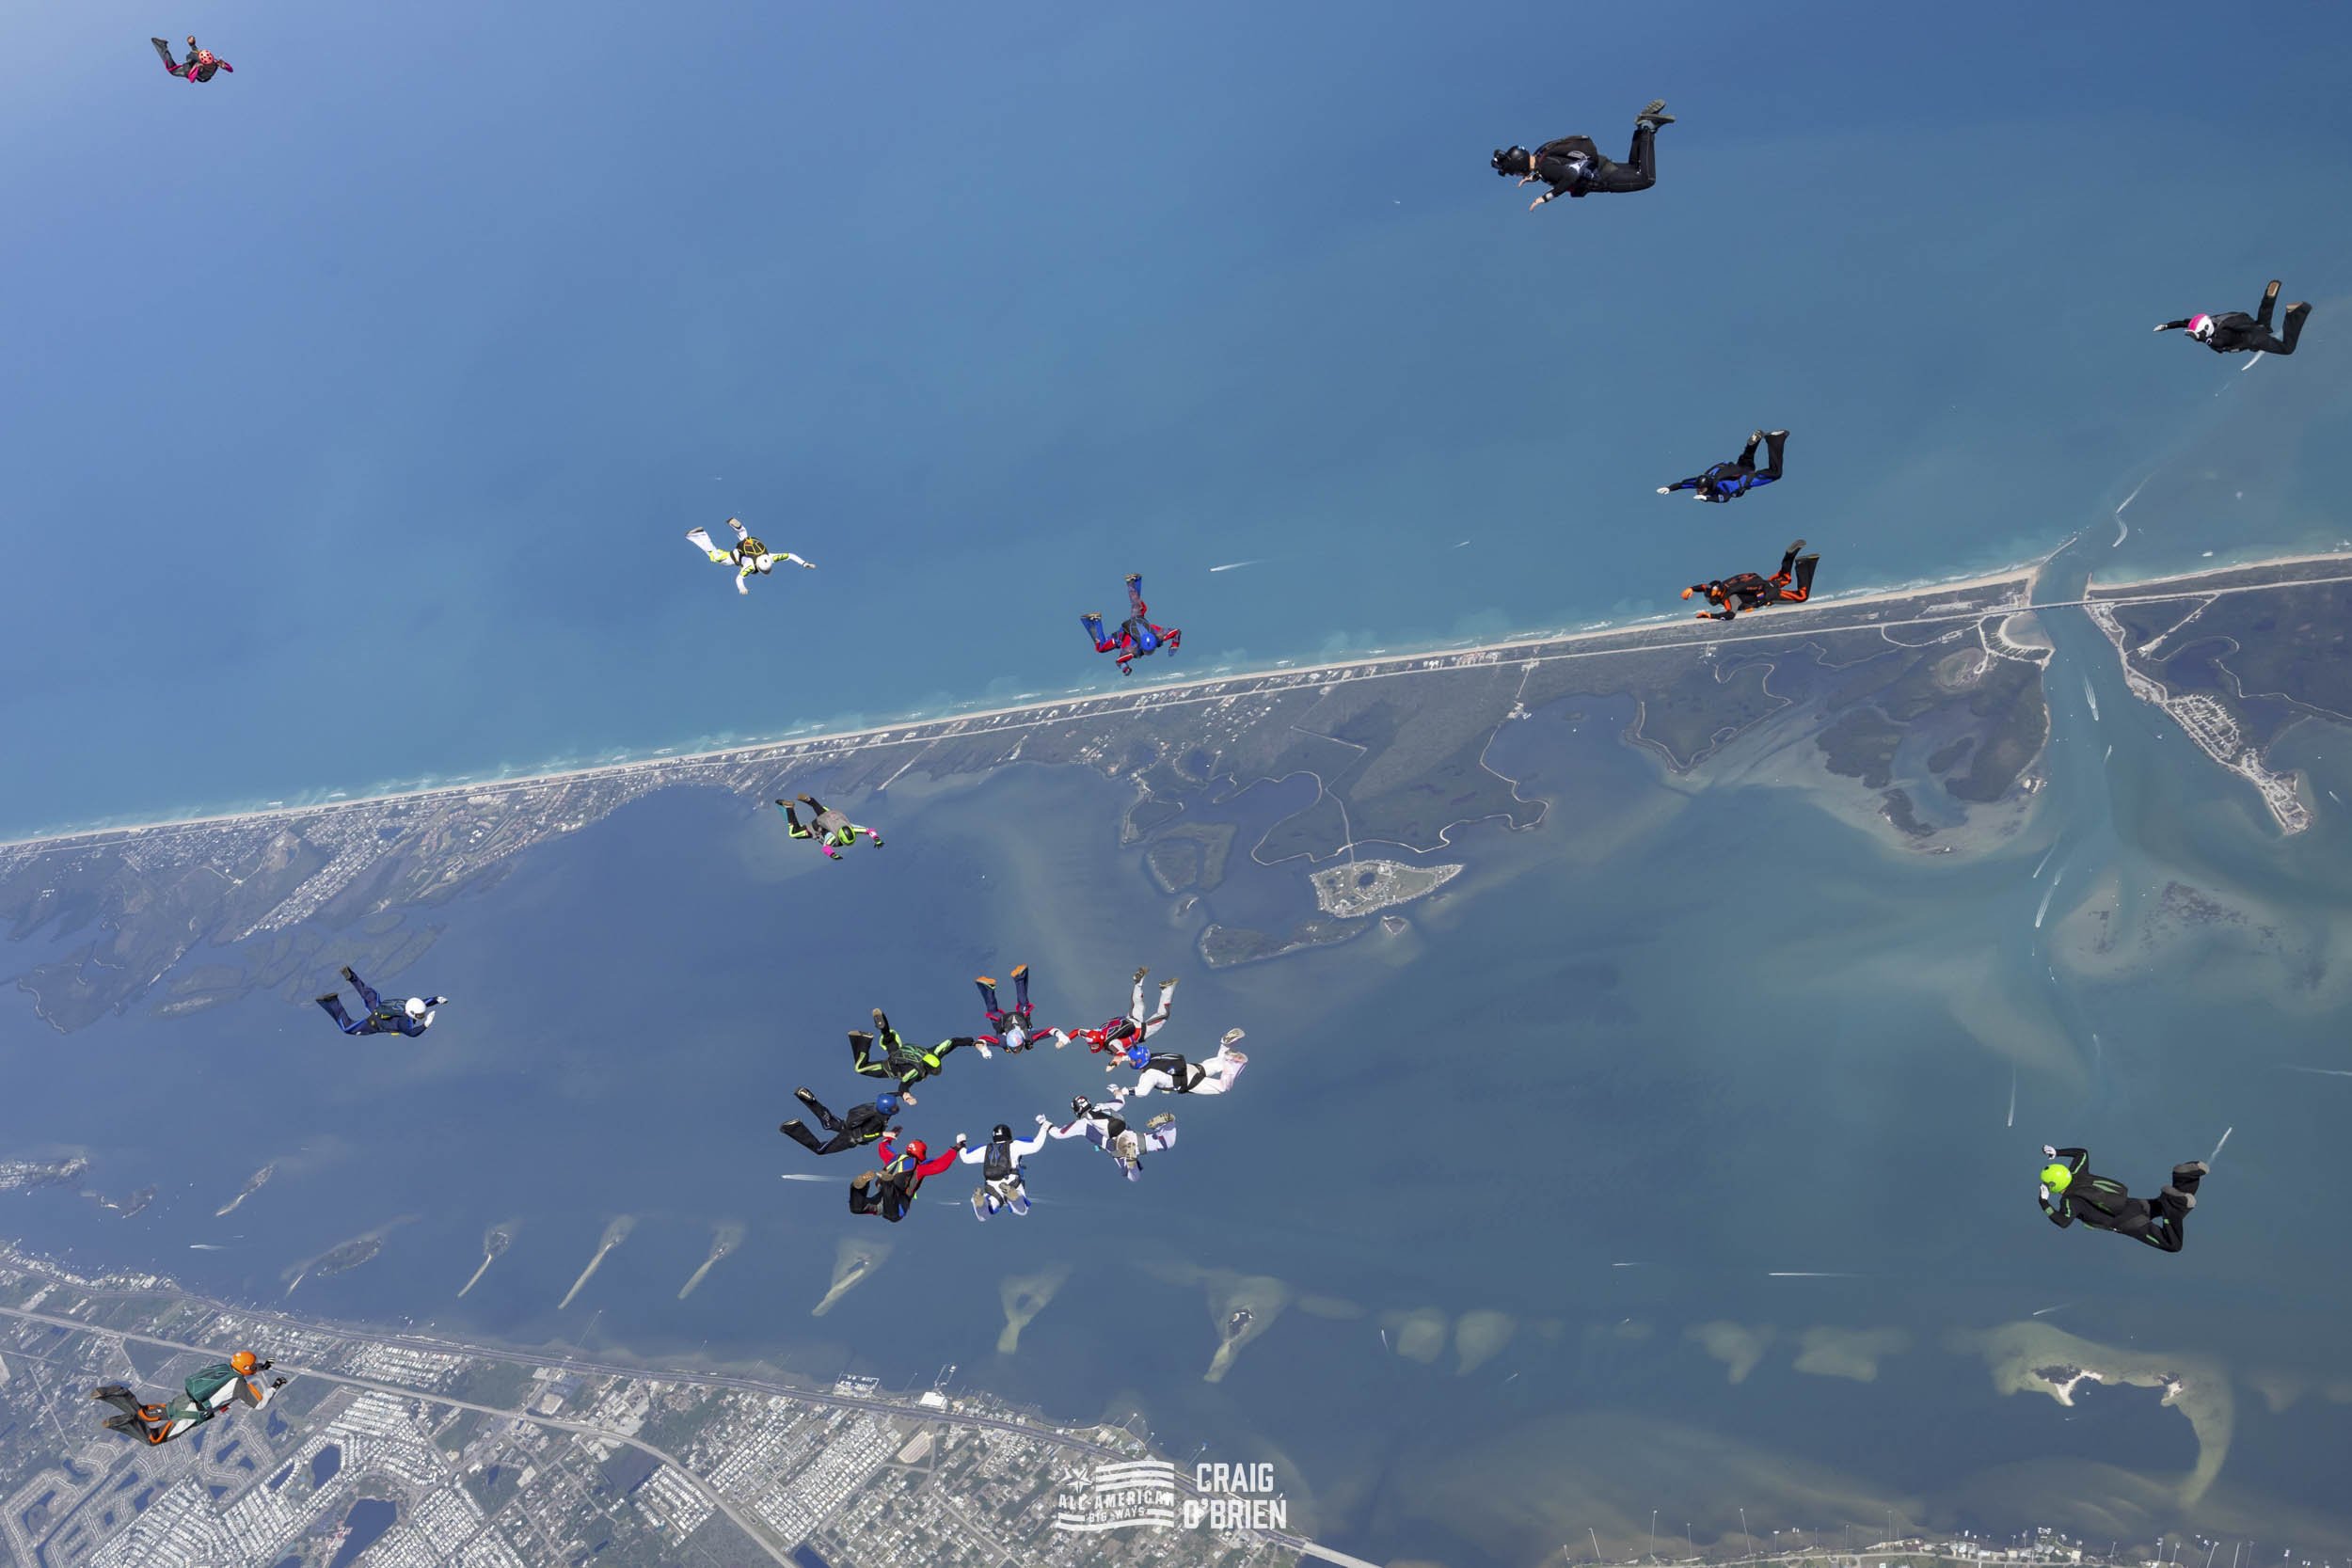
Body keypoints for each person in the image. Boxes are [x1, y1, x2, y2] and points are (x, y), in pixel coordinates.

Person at [1491, 100, 1673, 209]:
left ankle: (1648, 129)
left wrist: (1545, 198)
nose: (1516, 175)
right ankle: (1643, 128)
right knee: (1636, 167)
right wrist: (1533, 177)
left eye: (1514, 171)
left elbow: (1570, 175)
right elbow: (1556, 165)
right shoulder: (1541, 154)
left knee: (1646, 179)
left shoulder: (1545, 168)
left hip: (1604, 177)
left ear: (1518, 164)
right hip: (1602, 166)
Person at [2038, 1146, 2207, 1253]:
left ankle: (2173, 1206)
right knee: (2164, 1204)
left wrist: (2044, 1202)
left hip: (2129, 1223)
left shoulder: (2069, 1201)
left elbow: (2063, 1221)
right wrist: (2057, 1152)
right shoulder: (2078, 1174)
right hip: (2133, 1204)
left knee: (2173, 1244)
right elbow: (2081, 1153)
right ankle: (2183, 1177)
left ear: (2052, 1186)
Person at [93, 1352, 282, 1445]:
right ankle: (123, 1422)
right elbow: (259, 1405)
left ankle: (118, 1393)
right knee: (154, 1439)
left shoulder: (225, 1368)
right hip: (192, 1413)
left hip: (183, 1400)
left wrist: (264, 1366)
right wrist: (274, 1387)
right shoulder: (238, 1385)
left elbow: (246, 1368)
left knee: (146, 1413)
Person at [2154, 279, 2311, 357]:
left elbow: (2217, 342)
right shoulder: (2215, 322)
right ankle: (2269, 297)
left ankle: (2296, 312)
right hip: (2246, 323)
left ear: (2205, 330)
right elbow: (2183, 322)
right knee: (2263, 325)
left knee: (2287, 348)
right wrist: (2166, 326)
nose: (2196, 339)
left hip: (2253, 337)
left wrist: (2202, 338)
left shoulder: (2219, 336)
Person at [1047, 1096, 1179, 1180]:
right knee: (1167, 1142)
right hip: (1131, 1136)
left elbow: (1058, 1134)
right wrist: (1117, 1091)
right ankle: (1170, 1121)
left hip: (1118, 1148)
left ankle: (1130, 1161)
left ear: (1077, 1111)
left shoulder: (1081, 1124)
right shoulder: (1102, 1106)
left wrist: (1045, 1124)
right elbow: (1121, 1101)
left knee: (1133, 1176)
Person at [1683, 540, 1820, 621]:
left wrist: (1710, 615)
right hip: (1762, 583)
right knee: (1785, 578)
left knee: (1801, 597)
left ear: (1718, 595)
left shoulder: (1729, 598)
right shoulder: (1722, 585)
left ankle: (1804, 564)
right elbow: (1704, 586)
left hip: (1768, 593)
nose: (1709, 600)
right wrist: (1691, 588)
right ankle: (1789, 555)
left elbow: (1730, 615)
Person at [850, 1007, 983, 1088]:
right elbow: (904, 1085)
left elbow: (952, 1042)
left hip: (899, 1052)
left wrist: (973, 1043)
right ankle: (863, 1040)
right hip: (889, 1067)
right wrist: (906, 1096)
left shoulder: (934, 1052)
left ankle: (884, 1029)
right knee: (860, 1068)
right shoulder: (916, 1071)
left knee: (889, 1038)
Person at [848, 1132, 964, 1223]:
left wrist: (889, 1137)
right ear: (922, 1153)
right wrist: (954, 1150)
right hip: (897, 1205)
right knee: (892, 1215)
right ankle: (887, 1182)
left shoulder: (894, 1159)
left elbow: (883, 1148)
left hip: (880, 1198)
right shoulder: (919, 1168)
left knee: (856, 1208)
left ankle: (858, 1188)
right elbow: (940, 1165)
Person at [1080, 574, 1183, 675]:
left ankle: (1133, 581)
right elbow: (1119, 661)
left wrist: (1174, 645)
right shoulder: (1132, 649)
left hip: (1138, 619)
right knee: (1101, 648)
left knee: (1136, 605)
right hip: (1122, 634)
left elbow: (1176, 632)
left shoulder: (1160, 635)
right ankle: (1095, 621)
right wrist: (1126, 669)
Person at [686, 516, 814, 595]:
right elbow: (739, 579)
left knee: (745, 539)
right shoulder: (751, 566)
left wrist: (804, 563)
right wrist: (742, 589)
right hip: (737, 555)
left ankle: (739, 528)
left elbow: (790, 555)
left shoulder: (771, 557)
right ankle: (700, 535)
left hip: (749, 544)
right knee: (715, 558)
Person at [1111, 1029, 1249, 1099]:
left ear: (1139, 1062)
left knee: (1222, 1087)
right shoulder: (1151, 1057)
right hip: (1190, 1068)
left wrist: (1121, 1091)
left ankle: (1232, 1064)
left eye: (1133, 1061)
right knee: (1219, 1062)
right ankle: (1225, 1045)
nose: (1132, 1062)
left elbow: (1142, 1092)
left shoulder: (1149, 1075)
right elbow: (1135, 1055)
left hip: (1189, 1081)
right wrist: (1121, 1059)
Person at [1660, 430, 1789, 503]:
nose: (1699, 491)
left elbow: (1724, 498)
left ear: (1708, 487)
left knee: (1776, 473)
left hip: (1746, 478)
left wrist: (1707, 498)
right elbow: (1683, 484)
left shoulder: (1722, 487)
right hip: (1737, 468)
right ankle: (1752, 444)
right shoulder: (1703, 481)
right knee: (1747, 460)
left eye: (1701, 490)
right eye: (1699, 489)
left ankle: (1775, 440)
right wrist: (1669, 488)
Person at [960, 1118, 1054, 1219]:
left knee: (984, 1214)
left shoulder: (985, 1149)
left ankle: (982, 1202)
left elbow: (966, 1158)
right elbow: (1036, 1145)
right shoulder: (1015, 1145)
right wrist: (1044, 1127)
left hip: (991, 1185)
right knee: (1021, 1210)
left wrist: (961, 1144)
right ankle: (1014, 1196)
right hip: (1012, 1180)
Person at [1068, 967, 1177, 1054]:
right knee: (1137, 1004)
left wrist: (1116, 1061)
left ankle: (1167, 989)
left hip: (1139, 1031)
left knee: (1163, 1015)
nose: (1093, 1047)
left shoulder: (1111, 1044)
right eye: (1092, 1045)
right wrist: (1066, 1039)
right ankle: (1138, 983)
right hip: (1129, 1020)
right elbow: (1077, 1031)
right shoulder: (1092, 1033)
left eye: (1095, 1045)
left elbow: (1120, 1052)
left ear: (1100, 1041)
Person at [315, 966, 446, 1037]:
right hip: (374, 1023)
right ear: (412, 1012)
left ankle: (351, 976)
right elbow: (412, 1033)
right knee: (348, 1028)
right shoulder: (404, 1022)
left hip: (380, 1008)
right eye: (419, 1016)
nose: (421, 1017)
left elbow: (425, 1002)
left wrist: (437, 999)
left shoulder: (409, 1004)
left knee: (367, 994)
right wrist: (426, 1025)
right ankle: (331, 1001)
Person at [780, 1086, 904, 1155]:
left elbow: (886, 1095)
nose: (895, 1108)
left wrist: (901, 1093)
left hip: (847, 1125)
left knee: (828, 1123)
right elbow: (864, 1137)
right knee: (820, 1149)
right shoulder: (878, 1120)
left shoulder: (876, 1105)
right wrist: (883, 1134)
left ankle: (809, 1099)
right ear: (886, 1109)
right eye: (893, 1108)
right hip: (850, 1137)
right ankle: (793, 1127)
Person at [976, 964, 1059, 1052]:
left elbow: (1050, 1031)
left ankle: (1019, 978)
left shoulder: (1021, 1039)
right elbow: (982, 1041)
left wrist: (1060, 1036)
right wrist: (984, 1050)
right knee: (994, 1011)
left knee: (1022, 1004)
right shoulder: (1006, 1041)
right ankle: (990, 988)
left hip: (1010, 1020)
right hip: (1008, 1020)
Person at [776, 795, 882, 860]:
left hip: (830, 815)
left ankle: (809, 800)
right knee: (794, 833)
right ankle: (789, 808)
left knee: (822, 811)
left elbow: (870, 830)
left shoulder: (853, 828)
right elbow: (826, 848)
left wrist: (877, 839)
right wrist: (833, 855)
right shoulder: (832, 837)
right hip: (818, 825)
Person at [152, 36, 233, 82]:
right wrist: (192, 43)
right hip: (192, 66)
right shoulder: (199, 60)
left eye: (211, 64)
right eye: (208, 65)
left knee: (172, 70)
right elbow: (196, 52)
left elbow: (231, 70)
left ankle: (162, 46)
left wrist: (225, 66)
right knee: (172, 69)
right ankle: (161, 45)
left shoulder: (215, 62)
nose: (211, 66)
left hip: (197, 73)